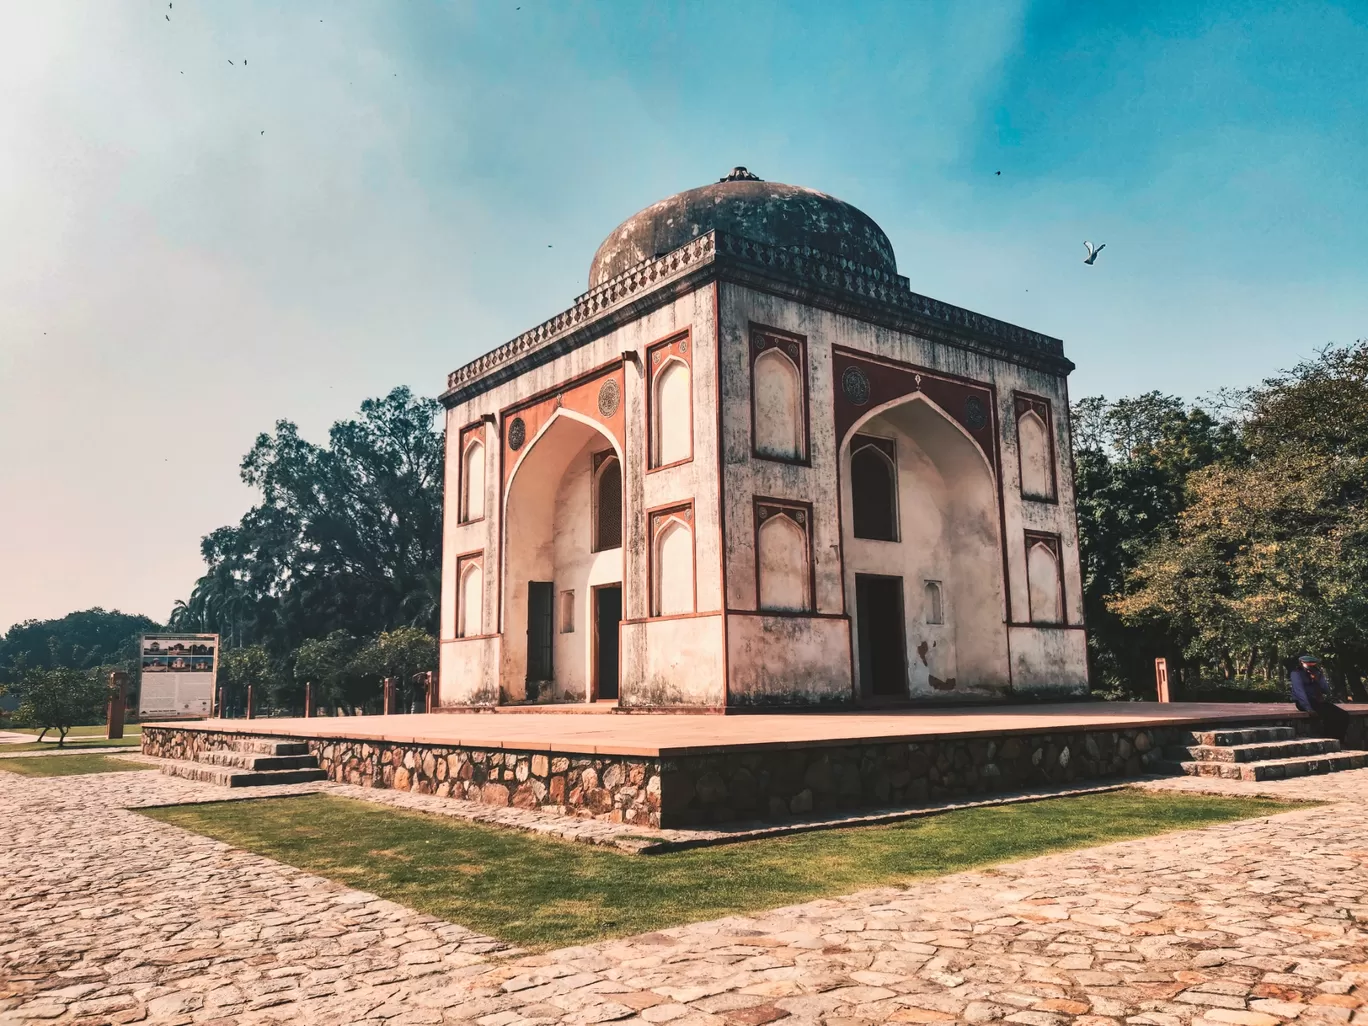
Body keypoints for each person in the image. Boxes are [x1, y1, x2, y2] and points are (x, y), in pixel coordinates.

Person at [1290, 654, 1350, 741]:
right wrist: (1308, 708)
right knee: (1328, 715)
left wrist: (1318, 679)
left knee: (1344, 715)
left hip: (1318, 701)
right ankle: (1329, 739)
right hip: (1304, 702)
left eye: (1312, 664)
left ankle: (1339, 740)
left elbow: (1325, 690)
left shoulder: (1317, 673)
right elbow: (1299, 692)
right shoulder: (1296, 673)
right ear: (1302, 663)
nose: (1311, 666)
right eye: (1308, 664)